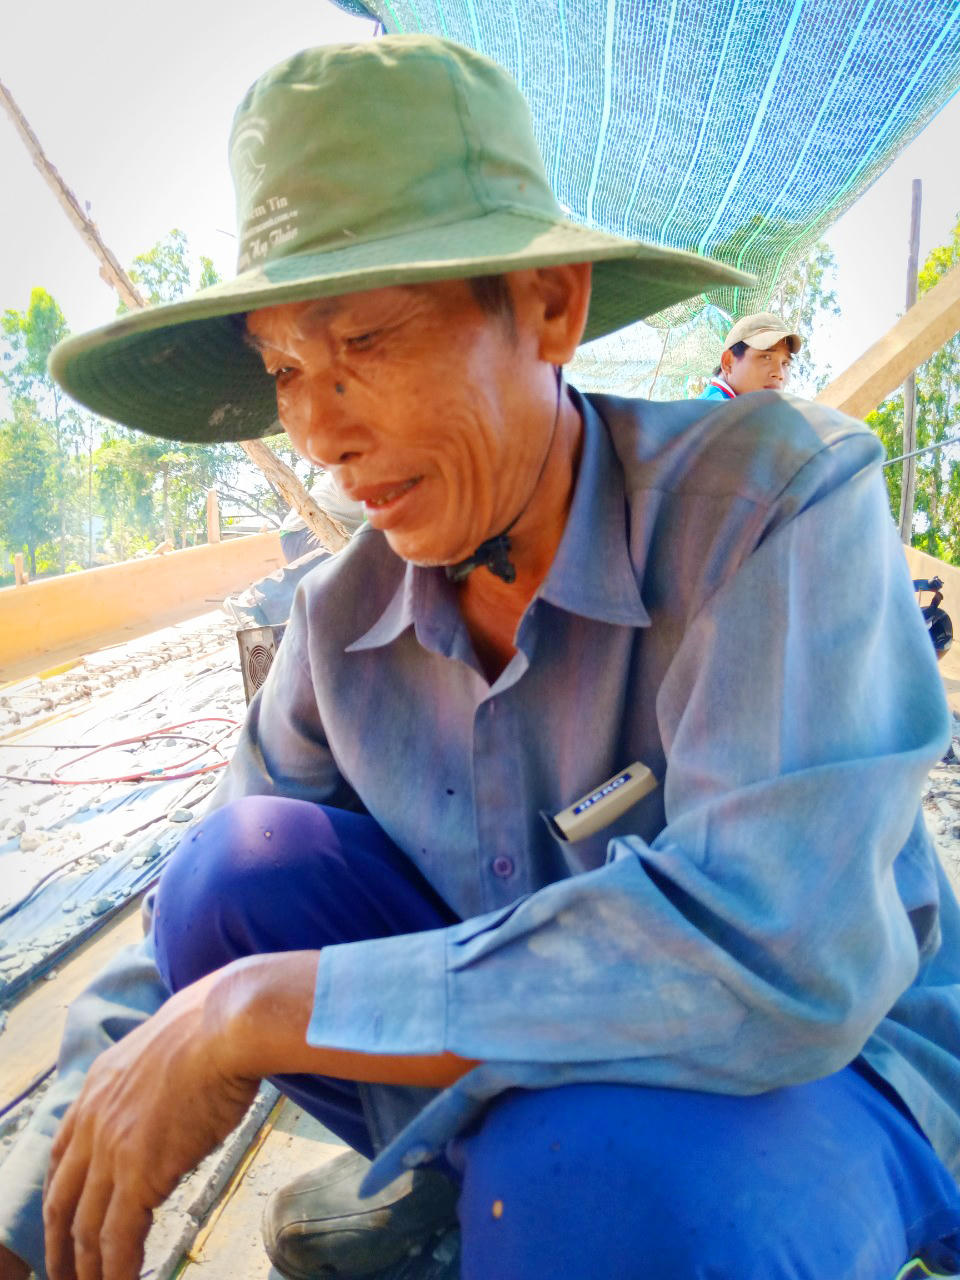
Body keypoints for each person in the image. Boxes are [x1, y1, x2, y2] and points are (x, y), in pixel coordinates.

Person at [2, 35, 960, 1280]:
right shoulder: (342, 618)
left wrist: (263, 1010)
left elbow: (779, 947)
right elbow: (175, 952)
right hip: (536, 1066)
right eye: (285, 368)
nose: (318, 430)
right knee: (227, 878)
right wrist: (33, 1204)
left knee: (592, 1183)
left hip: (831, 1060)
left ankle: (589, 1201)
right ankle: (476, 1181)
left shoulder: (771, 504)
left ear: (550, 307)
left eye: (364, 342)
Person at [699, 311, 801, 400]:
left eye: (785, 363)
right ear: (728, 363)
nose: (780, 374)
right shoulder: (716, 410)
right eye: (766, 357)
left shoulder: (741, 409)